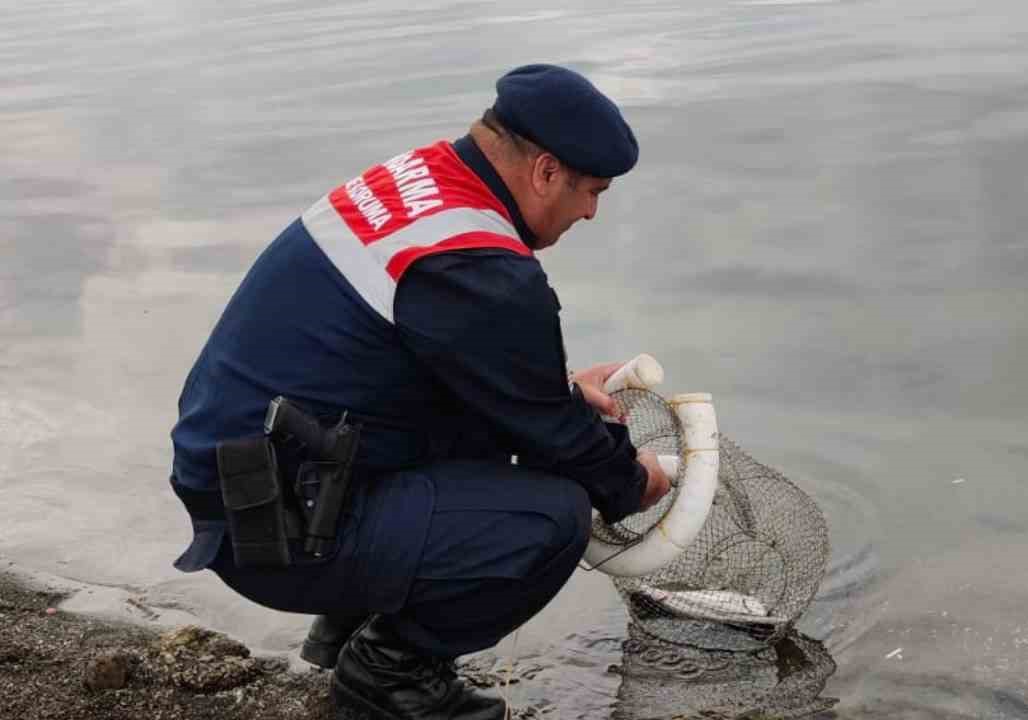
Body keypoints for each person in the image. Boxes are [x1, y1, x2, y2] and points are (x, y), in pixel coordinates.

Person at [168, 64, 672, 720]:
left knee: (490, 438)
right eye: (590, 191)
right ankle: (388, 675)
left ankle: (346, 626)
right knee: (555, 518)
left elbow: (463, 373)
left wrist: (556, 396)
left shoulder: (421, 180)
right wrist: (634, 481)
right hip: (272, 530)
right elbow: (555, 440)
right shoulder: (479, 266)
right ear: (546, 170)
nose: (590, 212)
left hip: (240, 475)